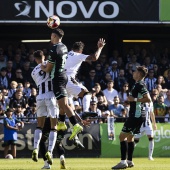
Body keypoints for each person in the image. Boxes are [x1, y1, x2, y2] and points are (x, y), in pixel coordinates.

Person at [41, 28, 83, 141]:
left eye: (51, 35)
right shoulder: (64, 46)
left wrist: (42, 67)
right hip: (64, 76)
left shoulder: (54, 48)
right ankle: (61, 123)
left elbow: (49, 68)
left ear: (54, 36)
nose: (50, 38)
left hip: (57, 78)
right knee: (62, 103)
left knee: (63, 104)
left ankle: (75, 125)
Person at [111, 66, 151, 169]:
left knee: (121, 137)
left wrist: (134, 99)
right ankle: (129, 161)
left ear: (139, 74)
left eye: (135, 72)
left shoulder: (139, 84)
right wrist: (131, 101)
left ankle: (123, 162)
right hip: (138, 115)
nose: (133, 73)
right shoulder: (139, 84)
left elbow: (148, 99)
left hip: (136, 115)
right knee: (130, 137)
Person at [31, 50, 59, 165]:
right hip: (51, 95)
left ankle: (35, 148)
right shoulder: (49, 63)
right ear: (44, 56)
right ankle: (49, 151)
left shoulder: (33, 72)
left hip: (39, 97)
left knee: (39, 125)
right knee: (54, 126)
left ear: (35, 59)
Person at [65, 39, 105, 113]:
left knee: (68, 107)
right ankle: (86, 112)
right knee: (87, 93)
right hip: (69, 80)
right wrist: (100, 48)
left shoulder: (66, 54)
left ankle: (64, 122)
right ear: (81, 50)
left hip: (60, 81)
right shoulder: (78, 55)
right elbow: (94, 57)